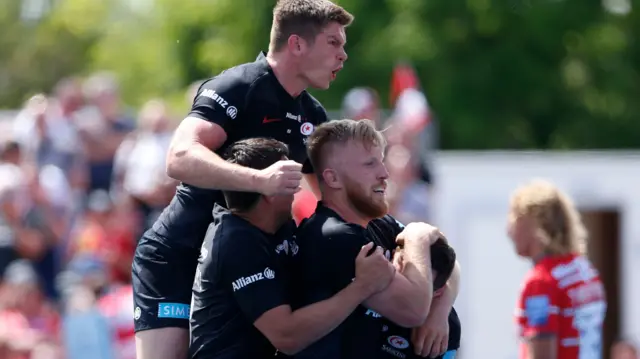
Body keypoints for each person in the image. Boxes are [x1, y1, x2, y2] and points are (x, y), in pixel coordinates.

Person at [131, 0, 353, 358]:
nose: (343, 55)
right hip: (179, 253)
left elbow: (337, 202)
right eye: (333, 43)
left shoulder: (312, 113)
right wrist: (258, 180)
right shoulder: (239, 85)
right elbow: (179, 156)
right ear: (296, 44)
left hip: (249, 260)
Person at [189, 138, 395, 358]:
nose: (298, 188)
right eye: (289, 179)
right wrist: (362, 287)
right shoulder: (236, 244)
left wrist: (421, 234)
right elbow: (287, 337)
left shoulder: (277, 225)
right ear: (267, 189)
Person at [289, 119, 460, 358]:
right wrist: (418, 237)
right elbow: (412, 309)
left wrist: (440, 312)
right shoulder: (334, 236)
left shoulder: (376, 222)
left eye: (381, 160)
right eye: (370, 164)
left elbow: (450, 262)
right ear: (333, 179)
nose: (384, 173)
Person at [508, 180, 607, 359]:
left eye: (514, 219)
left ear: (534, 224)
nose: (509, 231)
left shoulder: (541, 282)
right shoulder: (585, 271)